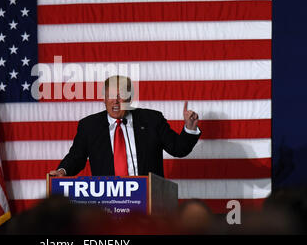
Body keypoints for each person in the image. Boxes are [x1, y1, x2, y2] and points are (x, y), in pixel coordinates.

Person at [49, 75, 201, 177]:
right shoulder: (89, 126)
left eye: (121, 95)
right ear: (104, 99)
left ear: (130, 98)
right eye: (111, 96)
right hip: (107, 204)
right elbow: (76, 157)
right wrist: (63, 170)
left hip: (146, 201)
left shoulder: (151, 120)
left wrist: (190, 128)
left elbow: (178, 149)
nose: (115, 101)